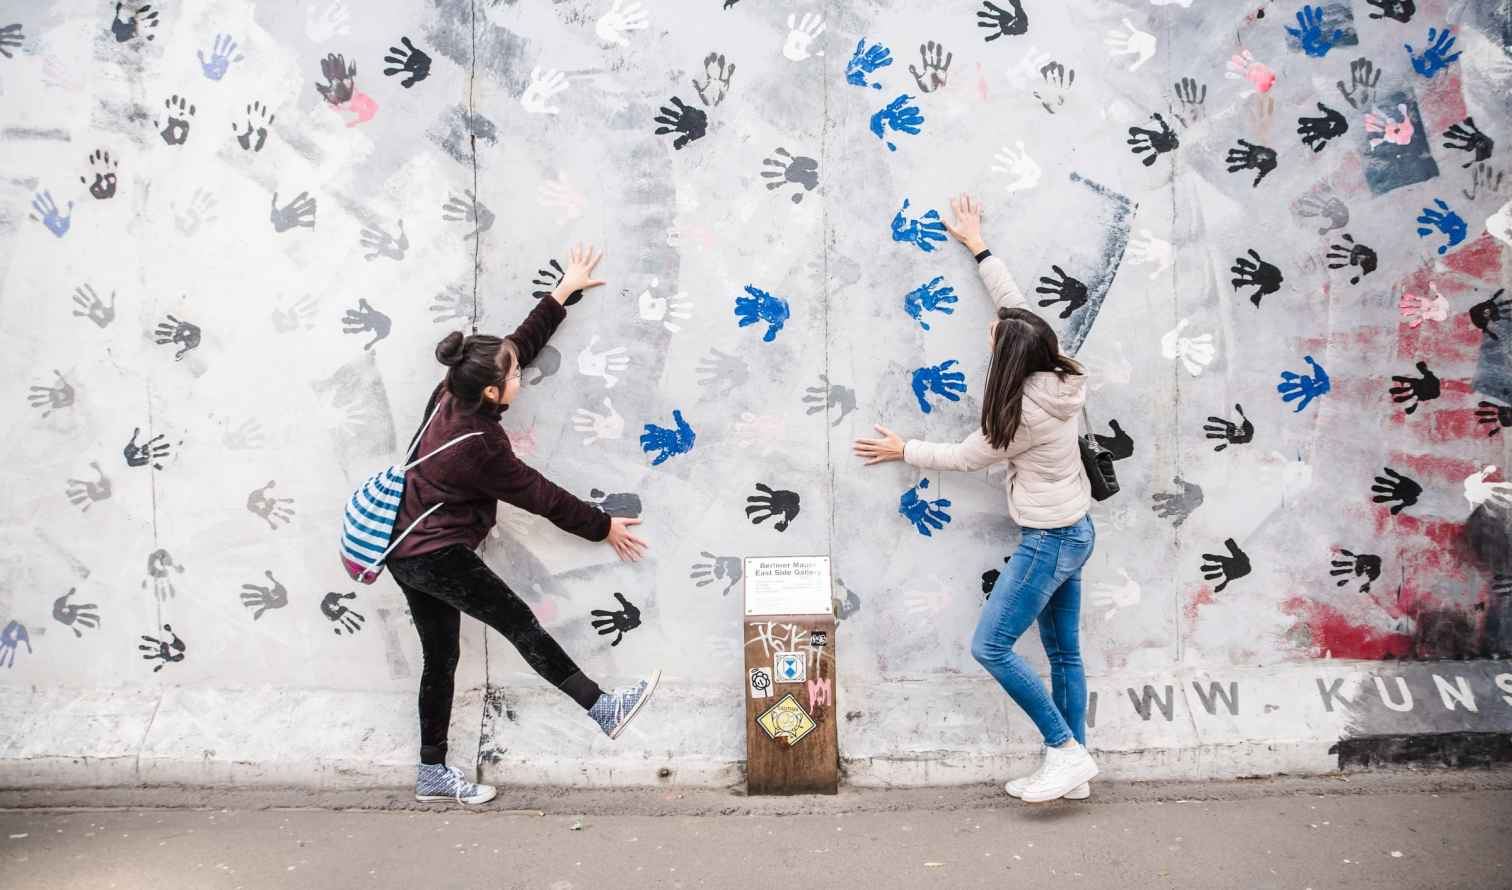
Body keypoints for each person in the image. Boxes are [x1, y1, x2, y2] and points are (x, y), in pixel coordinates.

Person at [386, 243, 658, 805]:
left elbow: (516, 347)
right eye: (513, 377)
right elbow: (540, 496)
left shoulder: (453, 390)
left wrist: (564, 292)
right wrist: (602, 526)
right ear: (493, 391)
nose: (521, 377)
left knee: (441, 658)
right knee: (519, 622)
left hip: (404, 544)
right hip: (434, 553)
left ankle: (432, 772)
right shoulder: (480, 446)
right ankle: (600, 706)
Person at [853, 194, 1098, 803]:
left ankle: (1064, 752)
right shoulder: (1058, 371)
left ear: (1009, 358)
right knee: (1064, 655)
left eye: (993, 339)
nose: (990, 332)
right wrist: (979, 246)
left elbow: (965, 456)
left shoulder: (1020, 420)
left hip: (1047, 541)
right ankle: (1078, 761)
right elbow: (1016, 307)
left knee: (990, 645)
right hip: (1077, 529)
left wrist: (903, 449)